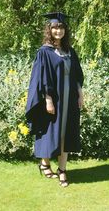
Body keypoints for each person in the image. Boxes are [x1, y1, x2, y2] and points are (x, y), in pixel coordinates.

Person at [25, 12, 84, 187]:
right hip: (54, 99)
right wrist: (48, 99)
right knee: (50, 131)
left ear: (65, 30)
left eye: (62, 27)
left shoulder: (69, 51)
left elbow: (76, 75)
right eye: (55, 27)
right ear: (49, 30)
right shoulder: (44, 52)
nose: (59, 30)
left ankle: (62, 170)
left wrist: (80, 94)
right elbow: (42, 78)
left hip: (70, 99)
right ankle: (44, 163)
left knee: (66, 133)